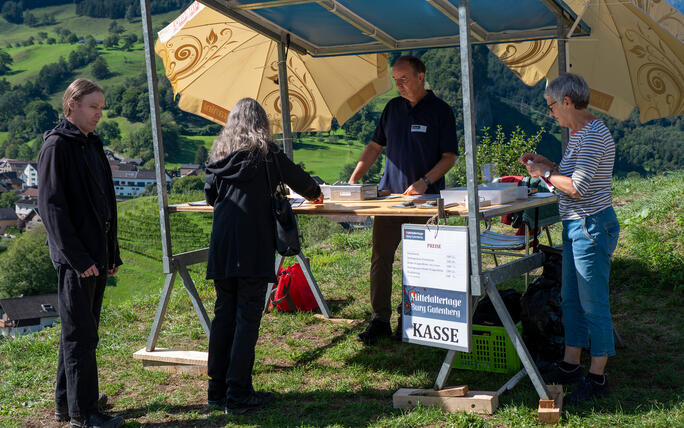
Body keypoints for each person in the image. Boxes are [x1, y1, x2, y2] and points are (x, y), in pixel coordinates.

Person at [204, 98, 322, 415]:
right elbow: (304, 184)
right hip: (253, 244)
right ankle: (239, 392)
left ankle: (216, 389)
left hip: (223, 245)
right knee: (246, 317)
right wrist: (317, 192)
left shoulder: (219, 155)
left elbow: (210, 195)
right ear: (262, 124)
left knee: (224, 314)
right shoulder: (266, 154)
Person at [521, 73, 620, 404]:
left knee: (594, 305)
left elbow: (577, 188)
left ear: (566, 101)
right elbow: (568, 175)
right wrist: (546, 165)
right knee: (571, 301)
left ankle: (597, 377)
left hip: (590, 227)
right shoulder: (579, 134)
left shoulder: (592, 136)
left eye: (551, 107)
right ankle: (570, 365)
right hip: (577, 226)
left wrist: (545, 173)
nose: (551, 114)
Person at [349, 55, 458, 345]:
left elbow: (450, 157)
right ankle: (380, 320)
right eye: (395, 80)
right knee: (381, 258)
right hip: (389, 200)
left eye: (404, 78)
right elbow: (374, 146)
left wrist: (425, 182)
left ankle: (413, 318)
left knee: (420, 262)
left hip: (425, 203)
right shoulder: (392, 108)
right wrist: (353, 180)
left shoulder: (441, 111)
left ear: (421, 76)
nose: (399, 84)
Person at [38, 78, 124, 428]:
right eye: (93, 106)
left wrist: (110, 254)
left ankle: (68, 402)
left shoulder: (92, 144)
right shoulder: (57, 147)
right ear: (71, 104)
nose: (99, 114)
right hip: (78, 261)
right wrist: (80, 259)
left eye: (102, 108)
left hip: (95, 257)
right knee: (80, 335)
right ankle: (84, 415)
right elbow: (51, 208)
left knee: (80, 331)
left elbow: (107, 206)